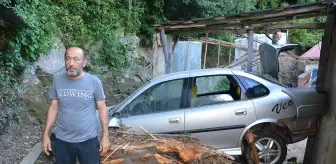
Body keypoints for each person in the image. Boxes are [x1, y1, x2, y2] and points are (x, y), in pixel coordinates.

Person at [42, 47, 110, 164]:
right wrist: (46, 135)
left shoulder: (94, 81)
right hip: (62, 141)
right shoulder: (57, 81)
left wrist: (105, 135)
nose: (71, 63)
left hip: (88, 141)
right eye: (67, 59)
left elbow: (102, 108)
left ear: (84, 62)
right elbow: (54, 107)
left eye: (76, 59)